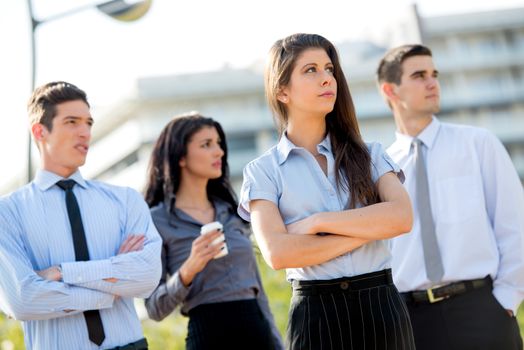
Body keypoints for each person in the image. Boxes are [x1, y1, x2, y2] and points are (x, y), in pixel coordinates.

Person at [238, 33, 415, 350]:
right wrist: (370, 230)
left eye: (329, 69)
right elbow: (278, 253)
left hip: (381, 308)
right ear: (282, 91)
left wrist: (319, 222)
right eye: (311, 70)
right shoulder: (262, 171)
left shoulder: (371, 153)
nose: (326, 79)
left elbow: (401, 217)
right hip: (315, 315)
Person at [377, 44, 524, 349]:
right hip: (413, 323)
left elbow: (515, 224)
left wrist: (506, 301)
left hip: (483, 311)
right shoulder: (380, 168)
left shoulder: (478, 144)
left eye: (434, 74)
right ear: (390, 90)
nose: (432, 83)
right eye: (419, 75)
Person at [0, 81, 162, 349]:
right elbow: (23, 300)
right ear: (40, 131)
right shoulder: (8, 212)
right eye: (72, 122)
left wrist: (61, 273)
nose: (85, 132)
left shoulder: (125, 200)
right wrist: (111, 286)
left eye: (88, 123)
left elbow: (146, 276)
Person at [143, 112, 283, 350]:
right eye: (206, 145)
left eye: (218, 144)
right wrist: (189, 269)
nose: (218, 151)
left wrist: (278, 344)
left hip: (258, 334)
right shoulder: (156, 220)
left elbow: (258, 293)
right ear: (181, 157)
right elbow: (154, 308)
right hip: (207, 336)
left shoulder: (232, 212)